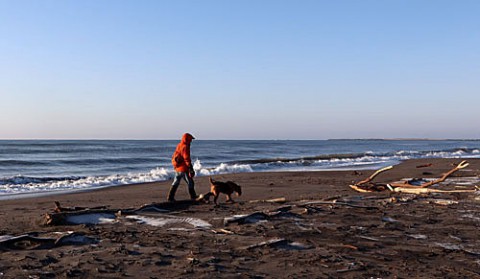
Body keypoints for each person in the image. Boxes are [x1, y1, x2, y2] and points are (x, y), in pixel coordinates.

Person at [167, 133, 197, 202]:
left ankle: (170, 197)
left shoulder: (179, 145)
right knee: (190, 182)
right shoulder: (185, 147)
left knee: (176, 182)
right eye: (190, 139)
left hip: (177, 169)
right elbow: (186, 158)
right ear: (187, 139)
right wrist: (190, 168)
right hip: (183, 168)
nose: (191, 141)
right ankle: (193, 197)